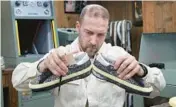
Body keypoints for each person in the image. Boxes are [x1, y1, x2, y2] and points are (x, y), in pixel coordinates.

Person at [12, 4, 166, 107]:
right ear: (78, 27)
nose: (93, 41)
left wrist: (142, 71)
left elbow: (157, 88)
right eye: (89, 32)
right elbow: (18, 82)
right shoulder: (60, 56)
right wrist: (42, 66)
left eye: (100, 34)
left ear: (106, 31)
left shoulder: (119, 56)